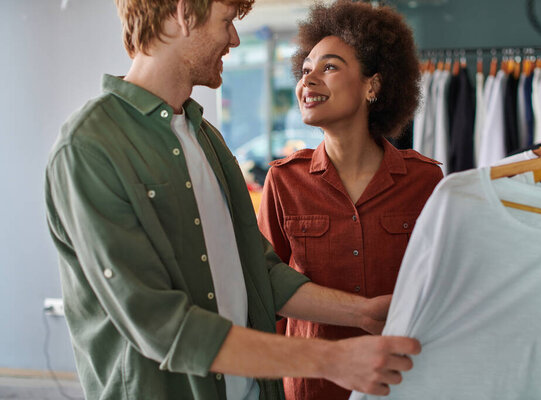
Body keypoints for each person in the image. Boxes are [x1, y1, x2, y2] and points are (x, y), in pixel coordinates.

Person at [44, 0, 422, 399]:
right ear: (183, 12)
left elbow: (258, 272)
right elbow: (159, 324)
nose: (234, 39)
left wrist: (362, 314)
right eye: (226, 22)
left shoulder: (205, 138)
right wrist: (331, 359)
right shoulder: (89, 148)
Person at [257, 1, 444, 399]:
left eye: (329, 67)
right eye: (305, 70)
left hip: (405, 381)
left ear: (372, 85)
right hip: (312, 387)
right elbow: (264, 297)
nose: (309, 80)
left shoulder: (426, 180)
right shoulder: (283, 180)